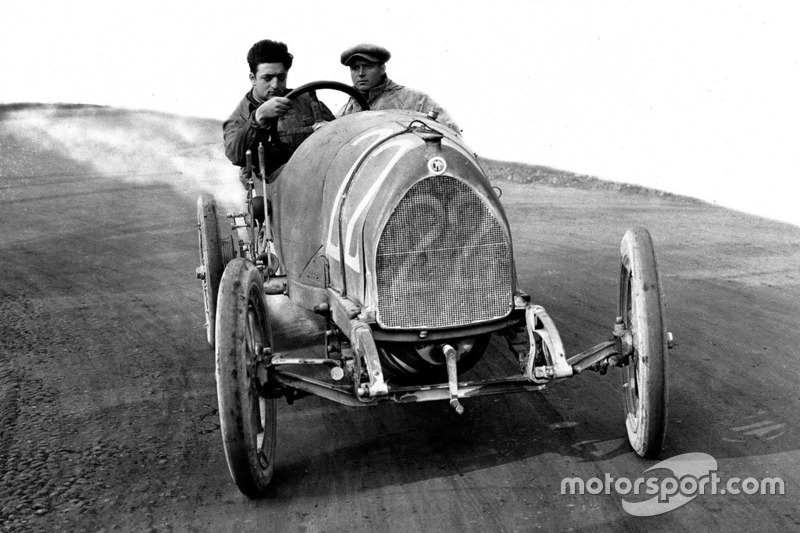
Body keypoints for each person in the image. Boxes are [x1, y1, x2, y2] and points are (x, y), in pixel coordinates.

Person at [223, 39, 335, 210]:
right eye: (267, 78)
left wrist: (328, 132)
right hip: (280, 199)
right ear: (253, 78)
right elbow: (234, 154)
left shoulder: (306, 101)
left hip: (319, 185)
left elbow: (338, 133)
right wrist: (258, 116)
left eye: (281, 78)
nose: (275, 85)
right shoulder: (240, 115)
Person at [337, 43, 460, 133]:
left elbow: (450, 131)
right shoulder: (347, 110)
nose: (361, 73)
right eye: (355, 68)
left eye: (368, 66)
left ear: (382, 69)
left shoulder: (416, 100)